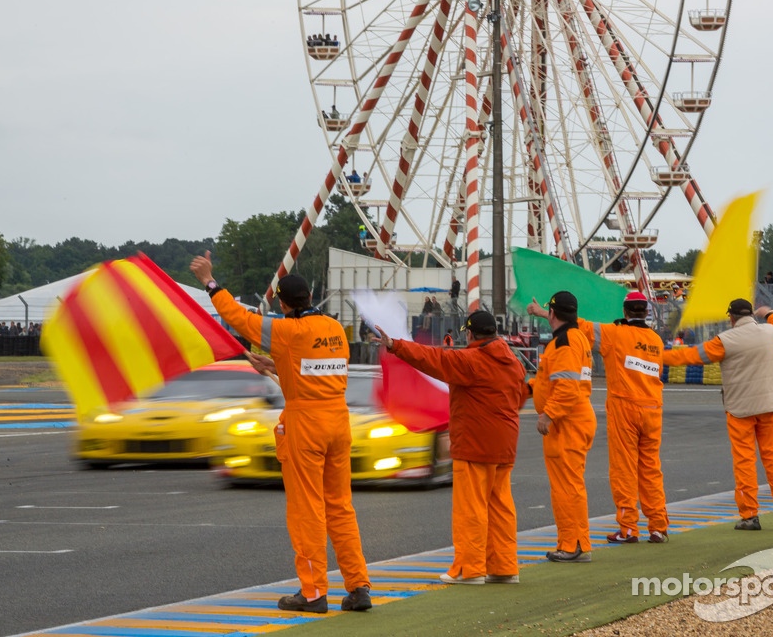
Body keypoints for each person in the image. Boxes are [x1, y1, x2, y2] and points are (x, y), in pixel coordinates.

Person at [189, 252, 371, 613]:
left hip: (306, 425)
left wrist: (210, 282)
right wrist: (277, 363)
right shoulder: (334, 329)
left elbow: (240, 318)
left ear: (285, 305)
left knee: (307, 510)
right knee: (340, 508)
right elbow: (318, 369)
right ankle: (359, 586)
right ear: (311, 299)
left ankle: (314, 592)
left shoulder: (287, 329)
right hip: (338, 420)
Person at [374, 311, 529, 584]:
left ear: (470, 334)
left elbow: (433, 359)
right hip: (505, 444)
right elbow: (519, 397)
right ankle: (504, 567)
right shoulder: (513, 363)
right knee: (500, 507)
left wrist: (395, 345)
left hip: (473, 444)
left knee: (471, 508)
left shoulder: (470, 361)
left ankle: (470, 570)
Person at [528, 291, 669, 545]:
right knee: (651, 469)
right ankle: (658, 526)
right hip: (653, 410)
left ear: (625, 312)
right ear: (646, 313)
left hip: (625, 408)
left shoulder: (614, 334)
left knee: (624, 470)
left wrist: (542, 313)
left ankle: (628, 529)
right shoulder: (656, 341)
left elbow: (576, 325)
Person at [663, 299, 773, 532]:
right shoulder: (770, 331)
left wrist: (656, 357)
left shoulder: (724, 341)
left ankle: (750, 516)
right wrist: (768, 313)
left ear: (731, 318)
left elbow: (690, 356)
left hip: (740, 410)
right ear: (751, 315)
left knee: (745, 462)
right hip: (771, 406)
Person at [530, 291, 597, 562]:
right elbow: (557, 382)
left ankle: (574, 544)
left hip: (566, 420)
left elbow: (566, 389)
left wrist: (548, 414)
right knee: (567, 485)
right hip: (573, 419)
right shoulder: (576, 335)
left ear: (554, 314)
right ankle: (572, 542)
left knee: (567, 486)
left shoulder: (564, 343)